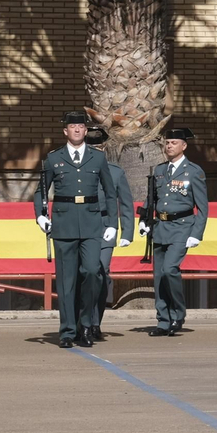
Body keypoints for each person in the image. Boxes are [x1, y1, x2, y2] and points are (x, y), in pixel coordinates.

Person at [34, 112, 118, 349]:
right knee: (66, 281)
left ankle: (86, 324)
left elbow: (110, 193)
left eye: (81, 126)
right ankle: (68, 331)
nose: (78, 130)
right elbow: (40, 190)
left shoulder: (97, 158)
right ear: (66, 131)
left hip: (92, 224)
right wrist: (40, 215)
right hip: (64, 224)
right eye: (73, 127)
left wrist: (112, 223)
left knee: (92, 272)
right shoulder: (53, 159)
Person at [139, 127, 208, 336]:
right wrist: (144, 220)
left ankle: (178, 314)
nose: (169, 146)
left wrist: (196, 233)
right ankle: (163, 320)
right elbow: (151, 199)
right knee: (159, 275)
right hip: (160, 227)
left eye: (174, 142)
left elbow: (203, 207)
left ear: (184, 146)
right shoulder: (159, 170)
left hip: (182, 227)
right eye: (167, 143)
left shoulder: (193, 171)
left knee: (170, 269)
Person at [86, 126, 135, 342]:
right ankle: (82, 321)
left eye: (97, 146)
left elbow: (125, 203)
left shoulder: (115, 171)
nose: (94, 150)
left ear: (104, 147)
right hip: (83, 227)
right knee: (84, 274)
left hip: (106, 227)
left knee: (101, 272)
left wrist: (127, 232)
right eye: (90, 146)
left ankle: (95, 321)